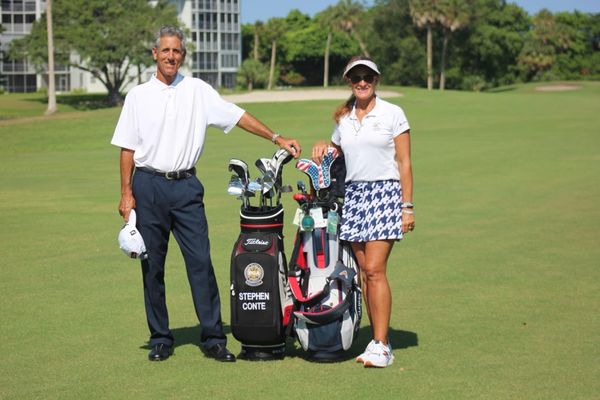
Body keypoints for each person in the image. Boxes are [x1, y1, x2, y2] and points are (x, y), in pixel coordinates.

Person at [111, 26, 301, 362]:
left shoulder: (198, 91)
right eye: (166, 50)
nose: (172, 56)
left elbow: (237, 115)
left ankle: (213, 337)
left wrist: (276, 138)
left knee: (200, 261)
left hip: (186, 187)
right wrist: (126, 193)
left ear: (183, 55)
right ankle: (160, 338)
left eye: (177, 51)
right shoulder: (138, 96)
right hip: (148, 185)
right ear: (154, 54)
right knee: (152, 266)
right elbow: (127, 147)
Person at [311, 56, 414, 368]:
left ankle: (382, 344)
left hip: (385, 194)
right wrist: (321, 145)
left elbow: (404, 162)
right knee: (364, 274)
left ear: (376, 79)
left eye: (367, 76)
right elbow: (335, 154)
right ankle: (375, 341)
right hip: (355, 196)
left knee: (375, 270)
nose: (362, 82)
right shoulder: (344, 118)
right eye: (356, 77)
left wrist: (406, 207)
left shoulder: (392, 113)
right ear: (349, 82)